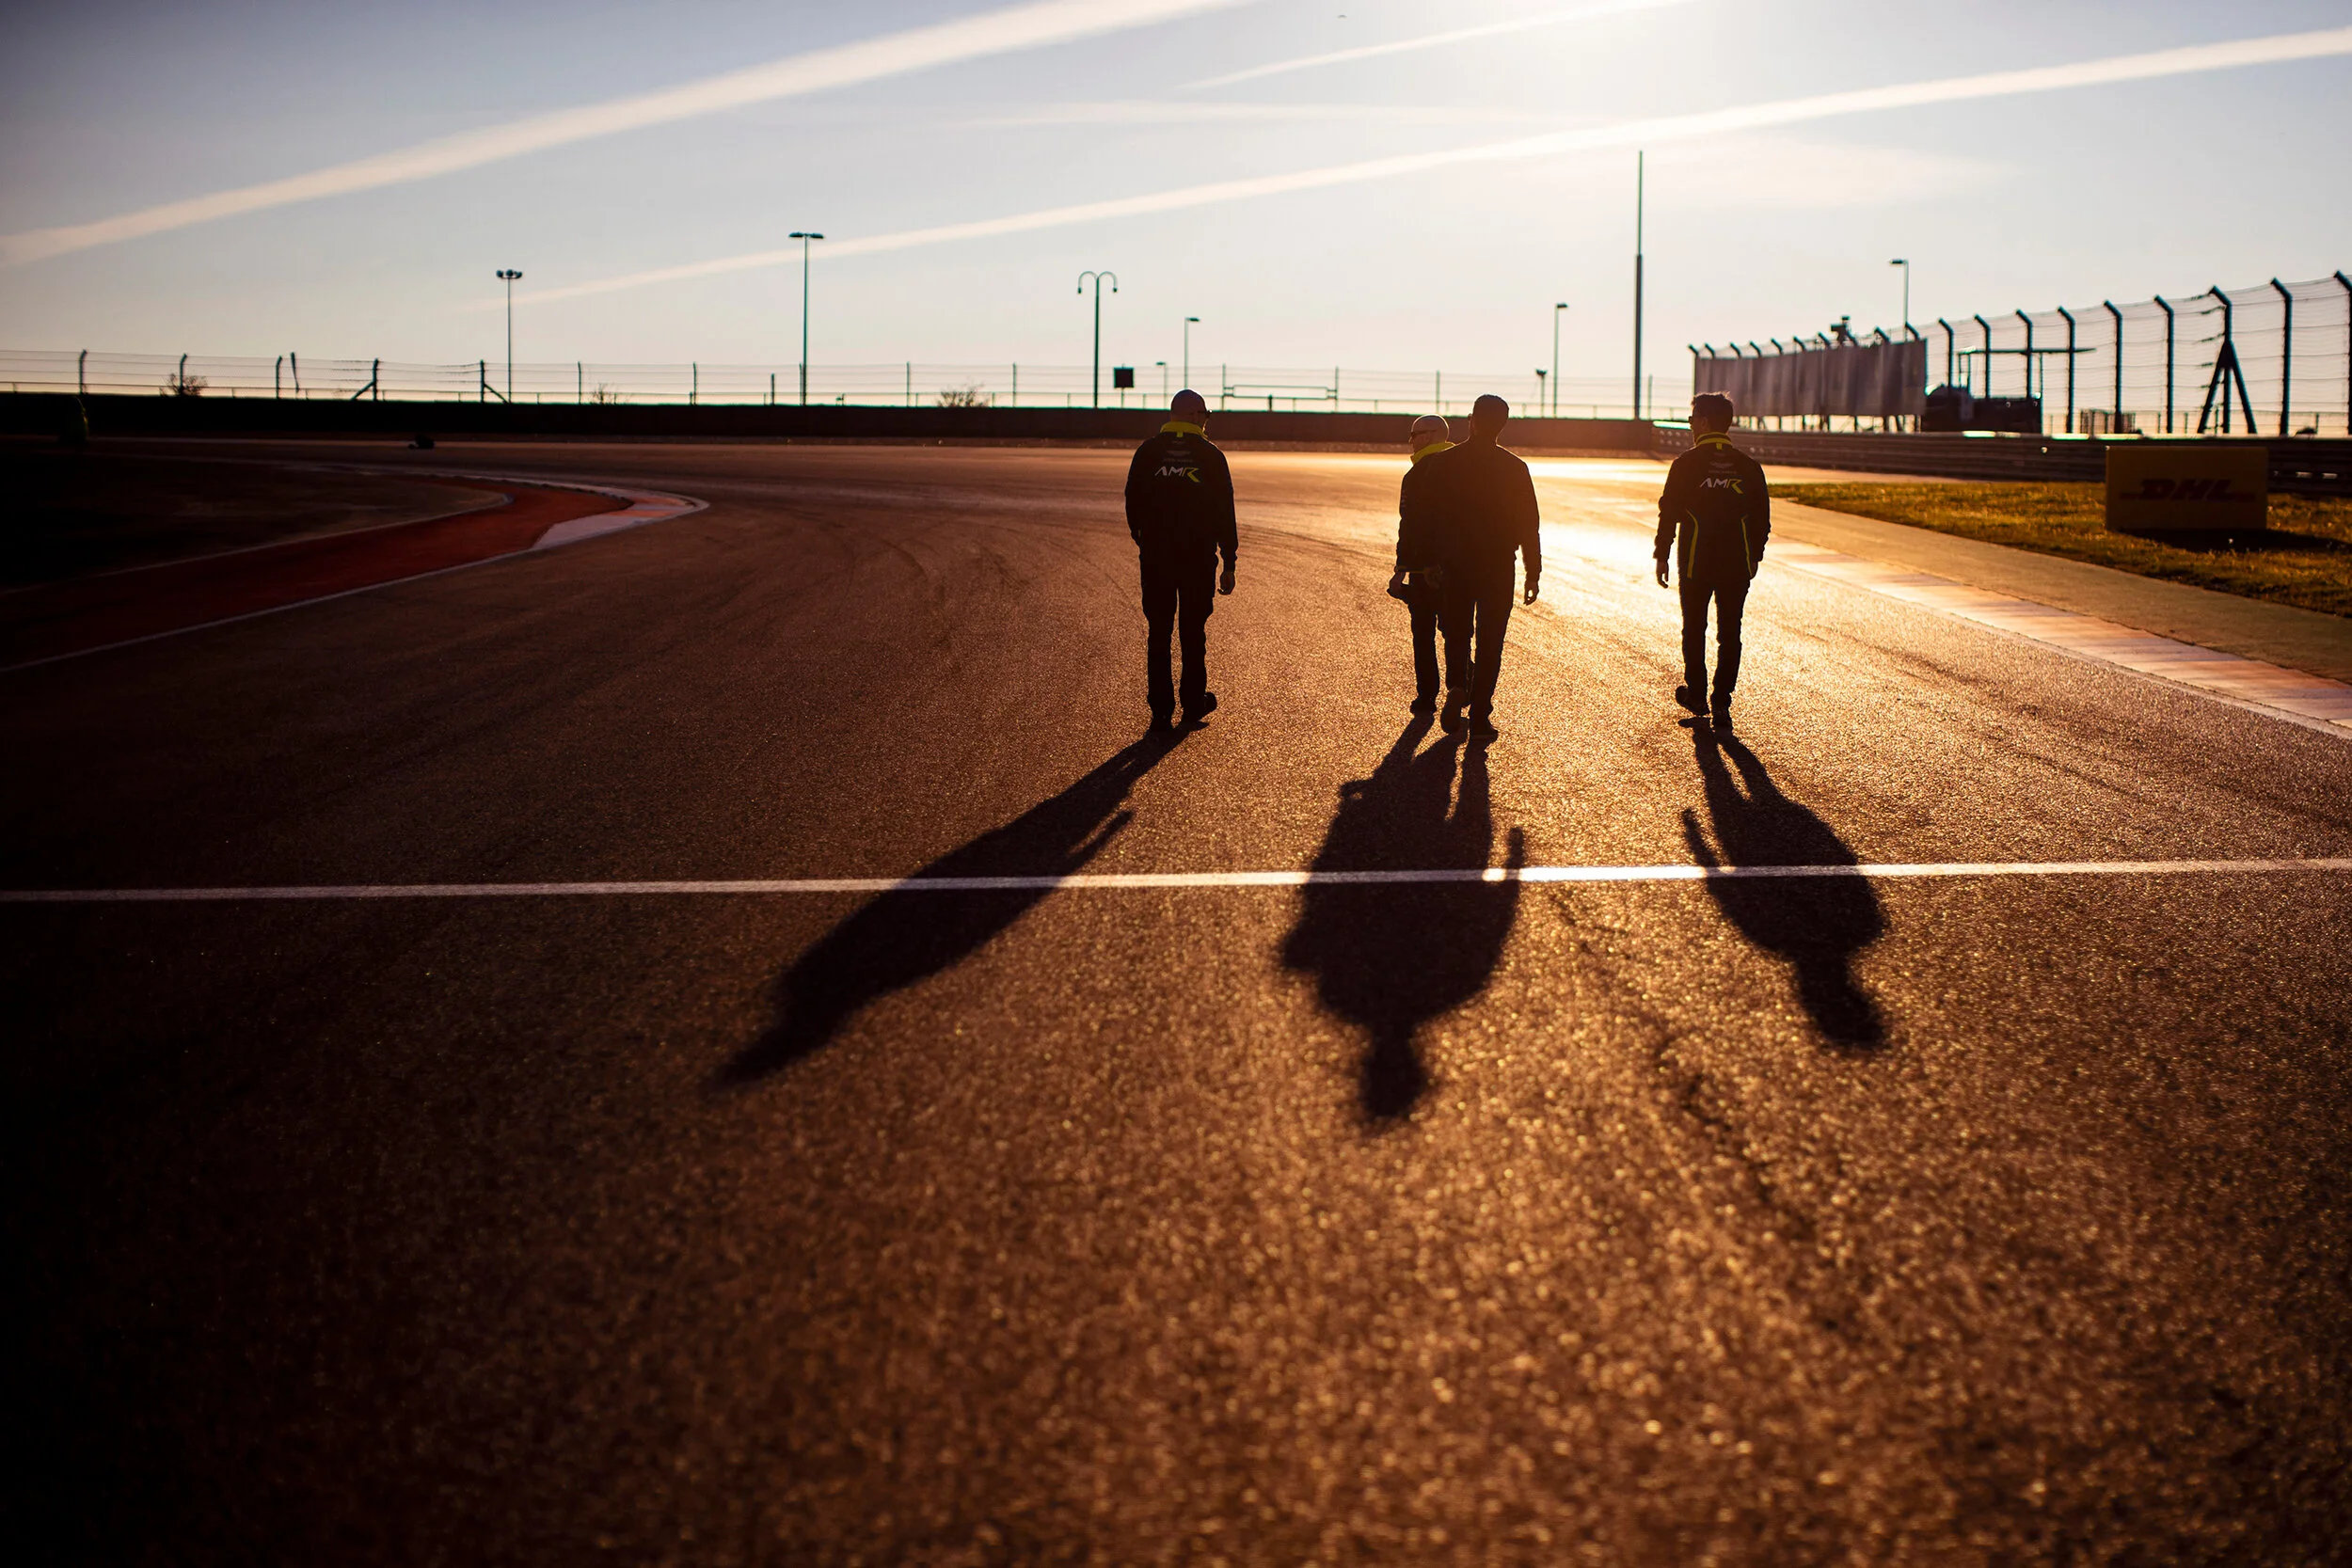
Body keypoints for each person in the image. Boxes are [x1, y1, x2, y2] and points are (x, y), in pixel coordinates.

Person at [1399, 393, 1540, 741]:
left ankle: (1457, 686)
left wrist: (1428, 562)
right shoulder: (1515, 467)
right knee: (1491, 641)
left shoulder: (1444, 464)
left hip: (1455, 564)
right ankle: (1480, 715)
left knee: (1458, 633)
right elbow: (1528, 524)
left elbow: (1426, 518)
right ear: (1503, 426)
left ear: (1471, 420)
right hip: (1498, 567)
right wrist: (1533, 571)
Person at [1654, 391, 1771, 731]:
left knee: (1695, 628)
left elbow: (1669, 513)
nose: (1690, 426)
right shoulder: (1748, 466)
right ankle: (1722, 700)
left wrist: (1662, 553)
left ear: (1703, 422)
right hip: (1737, 563)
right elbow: (1762, 518)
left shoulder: (1686, 463)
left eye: (1692, 419)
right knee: (1730, 631)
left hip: (1695, 562)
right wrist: (1754, 558)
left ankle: (1697, 694)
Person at [1123, 388, 1237, 728]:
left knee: (1158, 631)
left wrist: (1143, 540)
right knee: (1192, 630)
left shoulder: (1147, 452)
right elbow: (1224, 512)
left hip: (1157, 557)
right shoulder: (1210, 455)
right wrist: (1229, 561)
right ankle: (1192, 703)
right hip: (1197, 560)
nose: (1205, 421)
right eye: (1204, 415)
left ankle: (1160, 708)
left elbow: (1132, 501)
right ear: (1192, 416)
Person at [1386, 413, 1454, 714]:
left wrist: (1401, 569)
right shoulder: (1464, 469)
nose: (1411, 443)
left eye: (1413, 436)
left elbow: (1409, 526)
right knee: (1456, 630)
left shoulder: (1415, 476)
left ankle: (1427, 696)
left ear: (1428, 436)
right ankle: (1463, 681)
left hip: (1424, 571)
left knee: (1423, 634)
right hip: (1460, 568)